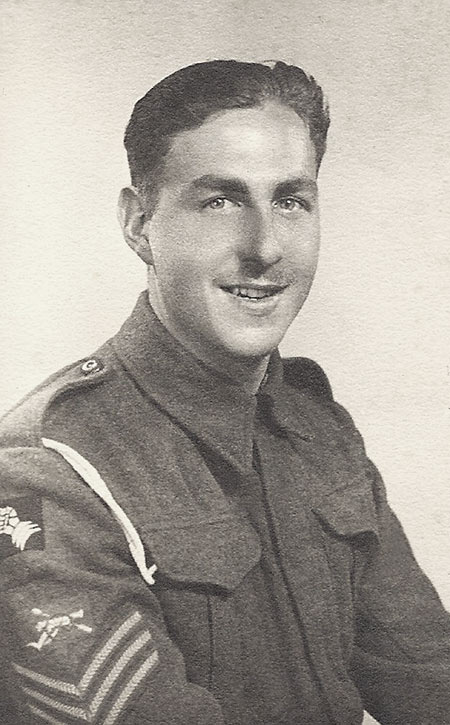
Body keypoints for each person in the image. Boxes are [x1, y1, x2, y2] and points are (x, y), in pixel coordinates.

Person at [0, 60, 449, 725]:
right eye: (220, 201)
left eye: (290, 200)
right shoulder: (46, 472)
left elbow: (431, 680)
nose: (265, 247)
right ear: (139, 224)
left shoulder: (317, 429)